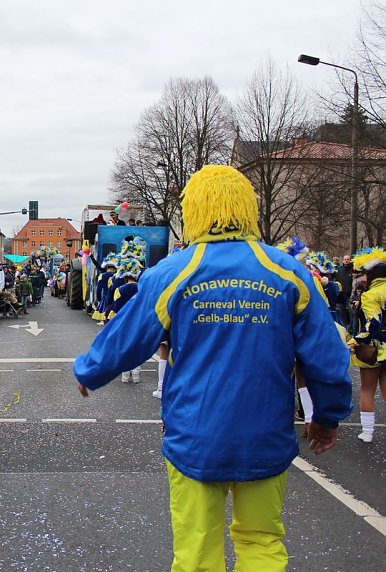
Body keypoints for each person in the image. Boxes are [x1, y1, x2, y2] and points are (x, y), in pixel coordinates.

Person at [73, 165, 352, 571]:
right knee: (262, 541)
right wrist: (326, 416)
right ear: (248, 208)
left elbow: (130, 333)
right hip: (266, 433)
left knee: (197, 551)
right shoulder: (288, 272)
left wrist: (91, 370)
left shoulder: (175, 271)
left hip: (194, 432)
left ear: (196, 210)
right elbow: (326, 357)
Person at [350, 247, 386, 443]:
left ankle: (368, 432)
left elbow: (374, 324)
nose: (362, 278)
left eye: (364, 274)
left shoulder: (370, 295)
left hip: (372, 349)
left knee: (367, 389)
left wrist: (356, 340)